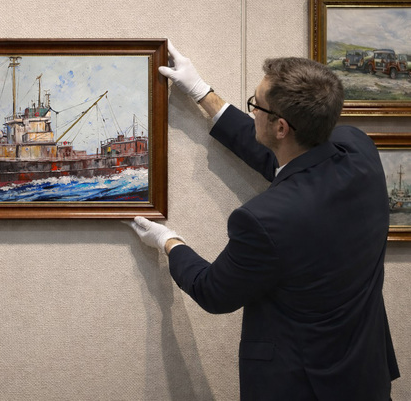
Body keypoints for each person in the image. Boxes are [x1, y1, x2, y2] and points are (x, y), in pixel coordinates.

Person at [127, 42, 399, 400]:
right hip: (366, 376)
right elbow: (287, 161)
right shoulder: (359, 150)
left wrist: (168, 241)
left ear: (281, 127)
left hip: (299, 387)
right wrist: (202, 92)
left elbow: (213, 292)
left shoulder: (265, 220)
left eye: (255, 104)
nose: (252, 110)